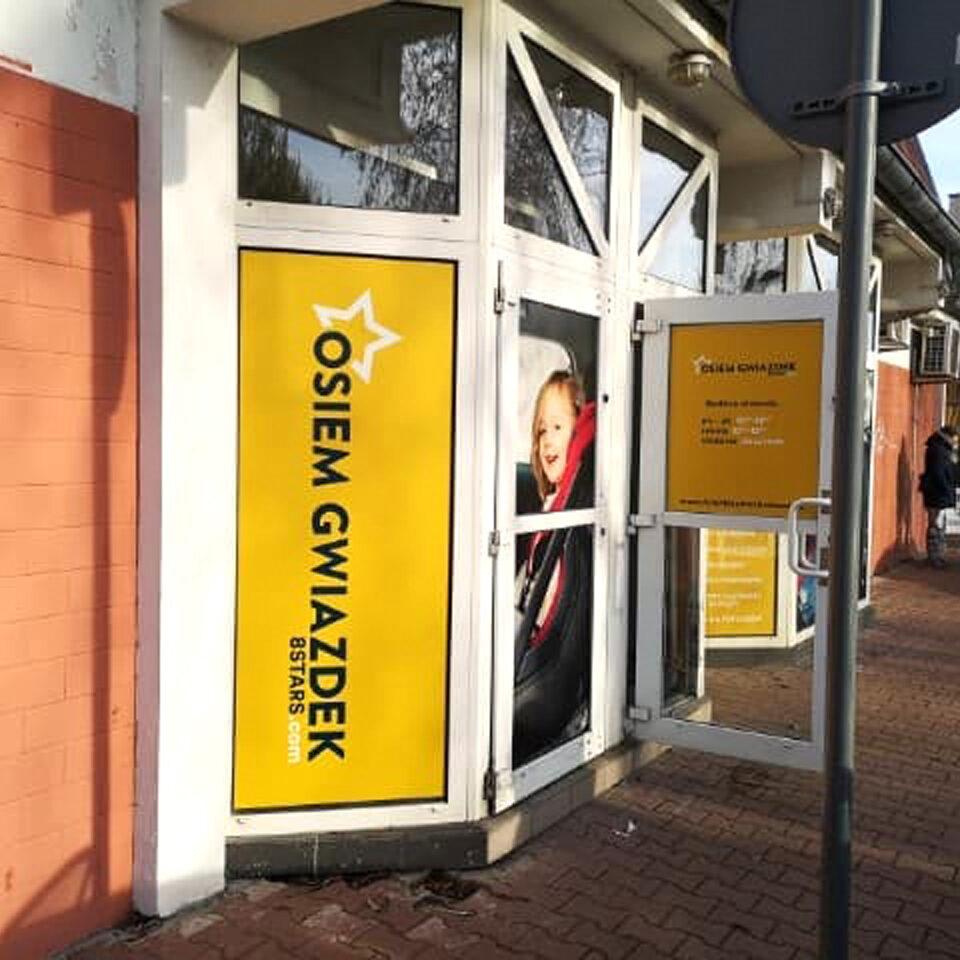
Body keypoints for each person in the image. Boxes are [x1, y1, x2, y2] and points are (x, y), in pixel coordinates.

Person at [513, 370, 596, 767]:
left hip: (536, 683)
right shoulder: (554, 509)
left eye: (558, 428)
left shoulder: (571, 522)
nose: (546, 440)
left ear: (578, 432)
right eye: (540, 430)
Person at [919, 424, 959, 568]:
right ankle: (935, 557)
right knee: (935, 524)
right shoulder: (938, 449)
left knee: (937, 524)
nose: (955, 442)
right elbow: (939, 472)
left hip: (936, 491)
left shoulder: (940, 448)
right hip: (936, 492)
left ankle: (937, 556)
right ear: (948, 436)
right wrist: (947, 488)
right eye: (954, 438)